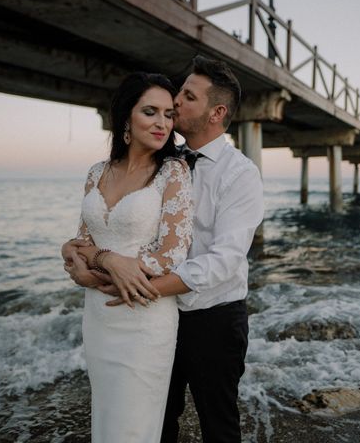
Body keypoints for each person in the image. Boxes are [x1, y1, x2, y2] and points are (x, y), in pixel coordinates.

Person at [67, 56, 264, 442]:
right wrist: (80, 254)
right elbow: (101, 229)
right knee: (157, 423)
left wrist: (137, 285)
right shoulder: (162, 163)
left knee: (218, 424)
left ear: (216, 112)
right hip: (154, 312)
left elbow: (224, 261)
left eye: (187, 97)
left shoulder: (240, 174)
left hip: (212, 316)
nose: (175, 102)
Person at [61, 72, 194, 442]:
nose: (162, 123)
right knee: (106, 417)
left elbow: (172, 253)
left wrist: (109, 262)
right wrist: (77, 253)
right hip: (99, 315)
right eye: (150, 111)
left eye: (169, 114)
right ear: (126, 117)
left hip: (143, 315)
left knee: (135, 427)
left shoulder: (173, 171)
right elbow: (84, 240)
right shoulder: (96, 173)